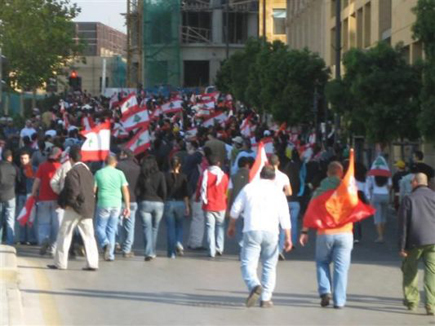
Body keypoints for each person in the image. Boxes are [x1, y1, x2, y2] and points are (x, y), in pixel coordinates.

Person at [228, 166, 292, 308]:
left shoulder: (249, 188)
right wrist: (288, 237)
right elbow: (285, 216)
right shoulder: (278, 192)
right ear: (274, 178)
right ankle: (266, 298)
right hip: (272, 232)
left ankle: (254, 284)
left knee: (248, 263)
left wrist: (231, 226)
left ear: (259, 175)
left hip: (252, 229)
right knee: (269, 265)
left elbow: (236, 208)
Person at [300, 161, 353, 309]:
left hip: (325, 233)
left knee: (322, 262)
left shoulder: (320, 190)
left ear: (327, 173)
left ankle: (325, 291)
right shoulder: (348, 189)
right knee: (341, 268)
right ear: (341, 174)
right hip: (345, 233)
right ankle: (339, 301)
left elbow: (310, 212)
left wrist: (304, 231)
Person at [47, 146, 99, 271]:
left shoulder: (72, 172)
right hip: (88, 208)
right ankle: (92, 263)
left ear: (70, 159)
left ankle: (60, 263)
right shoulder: (88, 171)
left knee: (64, 234)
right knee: (89, 236)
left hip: (74, 208)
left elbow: (72, 191)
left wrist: (68, 203)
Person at [398, 173, 435, 315]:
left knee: (410, 271)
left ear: (414, 182)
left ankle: (412, 301)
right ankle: (431, 304)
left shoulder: (409, 199)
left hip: (414, 241)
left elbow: (403, 226)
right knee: (432, 273)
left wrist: (402, 247)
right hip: (433, 241)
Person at [94, 155, 130, 261]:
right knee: (111, 229)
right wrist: (127, 206)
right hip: (117, 204)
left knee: (100, 227)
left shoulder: (99, 173)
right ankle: (110, 255)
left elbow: (93, 190)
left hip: (103, 202)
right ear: (115, 163)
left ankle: (105, 243)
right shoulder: (120, 174)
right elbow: (125, 190)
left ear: (105, 162)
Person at [31, 147, 63, 256]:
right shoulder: (61, 167)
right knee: (56, 225)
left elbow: (37, 181)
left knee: (44, 223)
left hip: (43, 199)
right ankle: (53, 248)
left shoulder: (42, 166)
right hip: (57, 200)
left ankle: (44, 239)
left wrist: (33, 193)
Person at [198, 155, 229, 258]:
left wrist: (197, 197)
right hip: (221, 205)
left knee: (210, 228)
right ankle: (219, 248)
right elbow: (226, 190)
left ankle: (211, 250)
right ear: (218, 164)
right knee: (220, 227)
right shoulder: (223, 176)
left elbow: (200, 188)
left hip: (208, 205)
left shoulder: (205, 175)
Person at [137, 155, 167, 261]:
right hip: (158, 203)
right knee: (155, 228)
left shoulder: (142, 175)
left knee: (146, 228)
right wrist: (162, 200)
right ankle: (152, 251)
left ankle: (148, 251)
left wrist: (140, 199)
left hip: (145, 202)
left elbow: (137, 191)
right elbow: (163, 190)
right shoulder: (160, 175)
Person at [116, 149, 141, 258]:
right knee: (130, 225)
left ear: (124, 155)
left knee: (118, 223)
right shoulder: (138, 167)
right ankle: (127, 248)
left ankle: (117, 243)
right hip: (133, 199)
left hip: (120, 198)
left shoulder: (119, 166)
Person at [164, 156, 189, 258]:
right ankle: (178, 241)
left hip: (169, 203)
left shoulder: (165, 176)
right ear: (179, 165)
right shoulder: (183, 177)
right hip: (180, 203)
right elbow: (186, 194)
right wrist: (187, 206)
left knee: (170, 228)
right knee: (180, 226)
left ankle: (171, 253)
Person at [269, 155, 292, 261]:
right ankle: (279, 249)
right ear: (278, 163)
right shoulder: (283, 176)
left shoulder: (267, 176)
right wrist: (280, 193)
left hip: (269, 203)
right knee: (283, 226)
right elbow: (289, 191)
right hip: (281, 203)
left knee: (271, 226)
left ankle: (271, 248)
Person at [16, 150, 36, 245]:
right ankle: (22, 238)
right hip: (21, 194)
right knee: (22, 217)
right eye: (22, 158)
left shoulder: (33, 169)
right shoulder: (18, 169)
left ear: (29, 159)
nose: (23, 160)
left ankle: (31, 239)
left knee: (31, 218)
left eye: (25, 158)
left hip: (30, 195)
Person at [365, 174, 391, 243]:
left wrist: (369, 198)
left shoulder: (372, 175)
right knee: (383, 216)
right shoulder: (387, 175)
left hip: (376, 194)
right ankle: (382, 234)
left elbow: (368, 187)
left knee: (377, 217)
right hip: (386, 195)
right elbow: (390, 185)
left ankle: (380, 236)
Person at [0, 150, 17, 245]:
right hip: (10, 195)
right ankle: (10, 241)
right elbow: (18, 180)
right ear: (9, 157)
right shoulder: (13, 168)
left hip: (0, 196)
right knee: (10, 219)